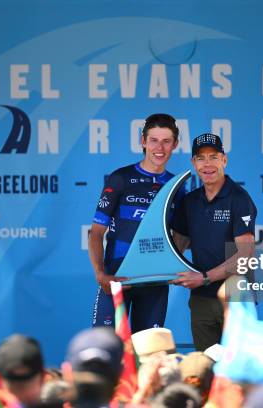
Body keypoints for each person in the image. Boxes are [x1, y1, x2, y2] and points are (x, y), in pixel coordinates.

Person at [89, 113, 179, 332]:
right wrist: (101, 275)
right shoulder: (121, 178)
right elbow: (96, 232)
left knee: (150, 352)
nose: (160, 147)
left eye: (166, 141)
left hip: (154, 280)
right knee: (105, 347)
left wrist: (172, 266)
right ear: (143, 141)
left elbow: (179, 236)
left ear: (175, 144)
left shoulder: (175, 185)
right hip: (117, 275)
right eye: (154, 140)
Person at [171, 133, 257, 351]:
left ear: (224, 160)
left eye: (213, 157)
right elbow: (176, 247)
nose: (207, 164)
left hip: (234, 297)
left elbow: (244, 258)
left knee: (237, 370)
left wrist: (205, 277)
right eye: (201, 158)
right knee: (205, 367)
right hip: (201, 298)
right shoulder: (189, 202)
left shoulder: (239, 199)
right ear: (193, 163)